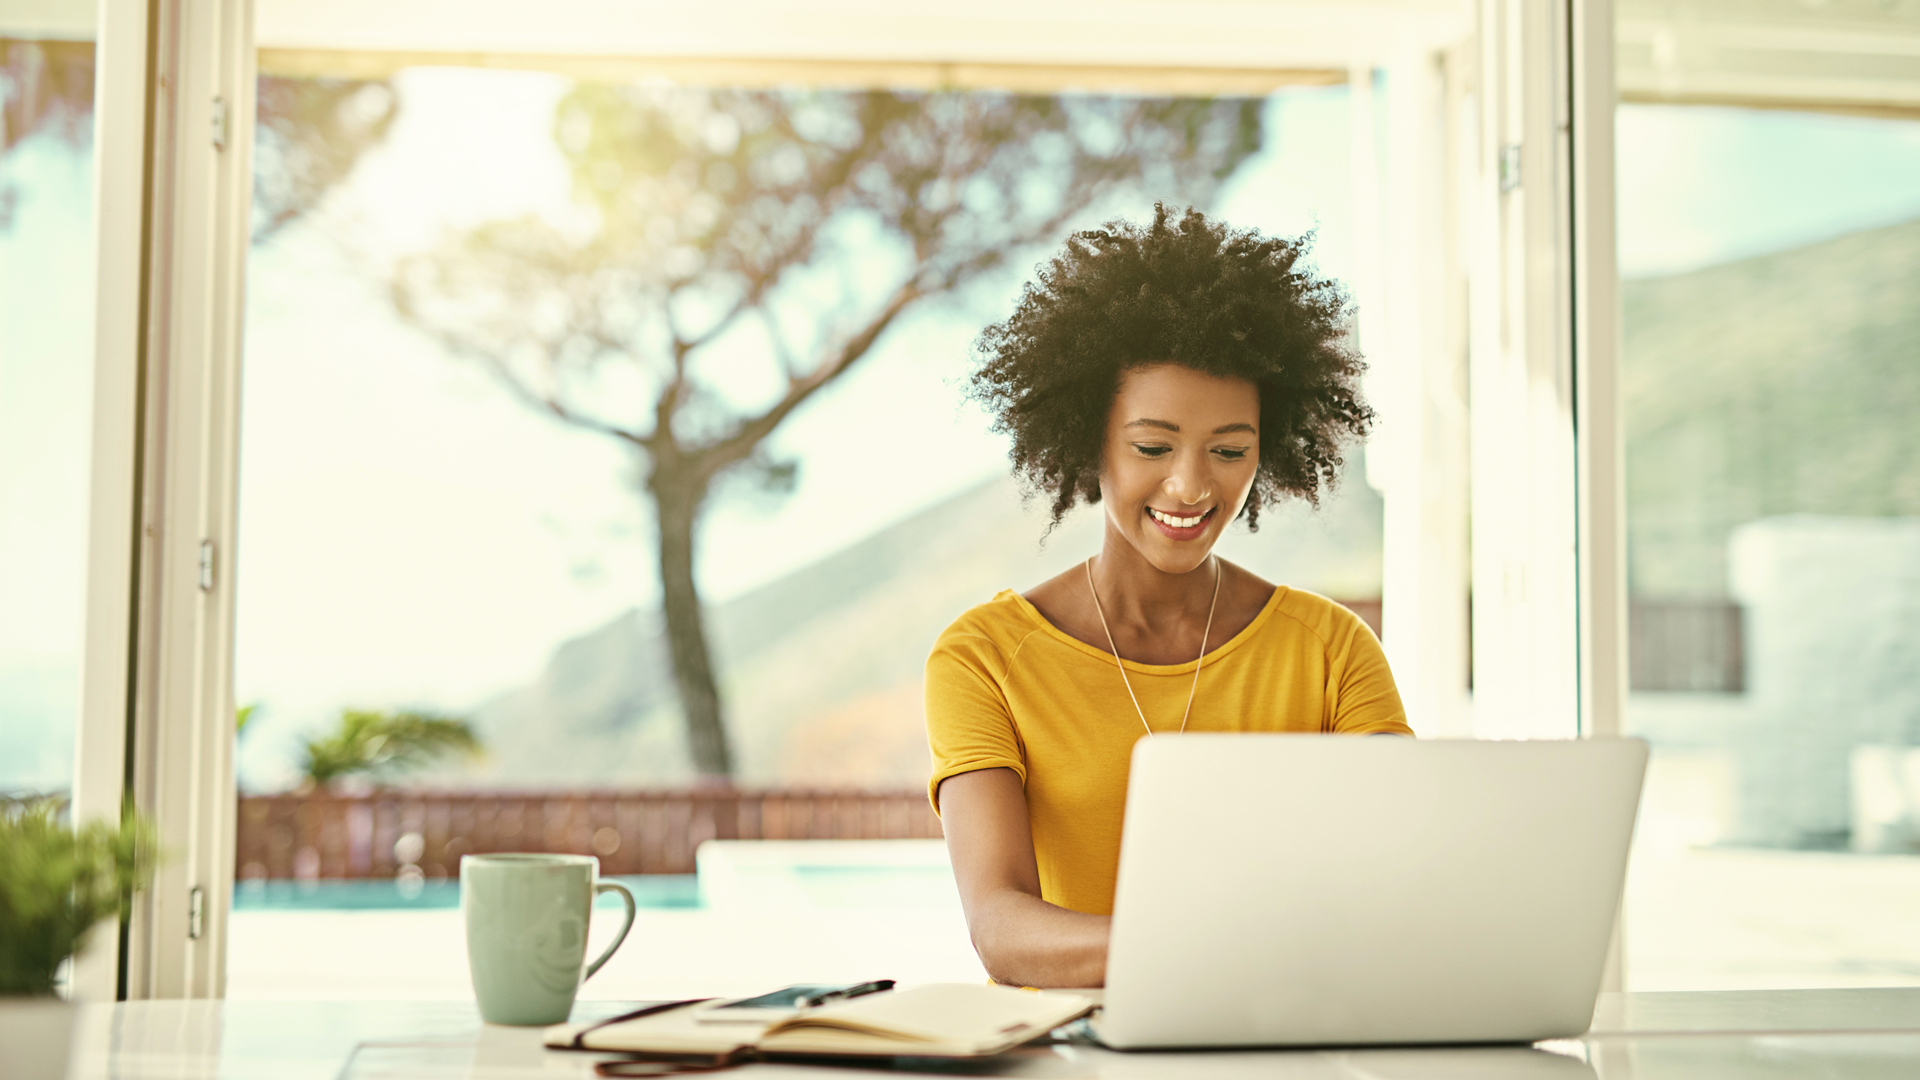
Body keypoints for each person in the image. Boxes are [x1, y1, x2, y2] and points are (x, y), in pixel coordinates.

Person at [925, 205, 1412, 989]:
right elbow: (1000, 926)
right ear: (1089, 439)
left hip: (1290, 1040)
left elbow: (1404, 874)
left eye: (1229, 451)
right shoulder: (984, 657)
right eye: (1152, 447)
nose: (1190, 486)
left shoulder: (1330, 648)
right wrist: (1201, 947)